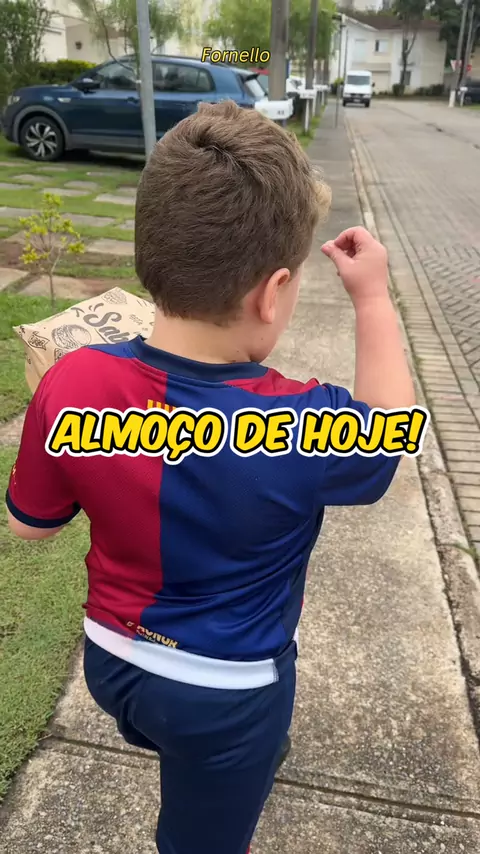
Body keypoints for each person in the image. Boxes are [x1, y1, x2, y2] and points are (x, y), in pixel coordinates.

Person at [6, 100, 415, 854]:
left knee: (177, 736)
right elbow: (387, 441)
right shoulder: (307, 423)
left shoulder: (72, 383)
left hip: (112, 664)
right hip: (228, 697)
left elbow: (28, 527)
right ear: (273, 291)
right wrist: (372, 297)